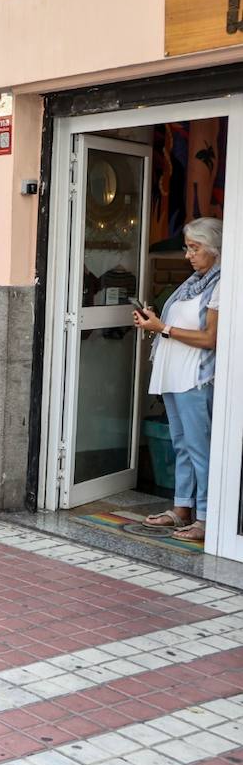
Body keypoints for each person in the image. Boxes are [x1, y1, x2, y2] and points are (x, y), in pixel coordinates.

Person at [133, 217, 223, 543]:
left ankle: (207, 519)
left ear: (214, 249)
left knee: (200, 449)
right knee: (182, 446)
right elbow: (173, 326)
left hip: (195, 378)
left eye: (195, 248)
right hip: (174, 374)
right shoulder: (194, 281)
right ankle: (182, 508)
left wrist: (164, 328)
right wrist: (154, 322)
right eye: (188, 248)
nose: (188, 255)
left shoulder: (221, 284)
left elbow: (210, 338)